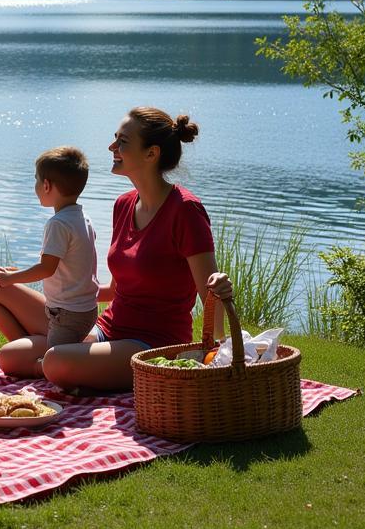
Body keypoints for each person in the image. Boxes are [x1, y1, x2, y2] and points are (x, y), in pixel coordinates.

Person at [35, 107, 232, 392]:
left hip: (155, 344)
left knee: (53, 361)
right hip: (109, 329)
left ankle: (80, 380)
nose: (112, 147)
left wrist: (219, 352)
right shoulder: (124, 204)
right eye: (116, 138)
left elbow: (210, 294)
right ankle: (80, 380)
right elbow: (116, 290)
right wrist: (62, 293)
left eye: (123, 142)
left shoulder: (186, 210)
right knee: (18, 358)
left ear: (151, 154)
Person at [0, 146, 100, 375]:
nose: (34, 187)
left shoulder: (58, 223)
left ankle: (48, 369)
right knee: (47, 356)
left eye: (36, 180)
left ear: (46, 185)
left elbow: (47, 268)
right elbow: (68, 266)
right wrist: (14, 273)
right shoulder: (82, 217)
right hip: (81, 312)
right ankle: (42, 355)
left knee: (53, 367)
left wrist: (11, 278)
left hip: (67, 316)